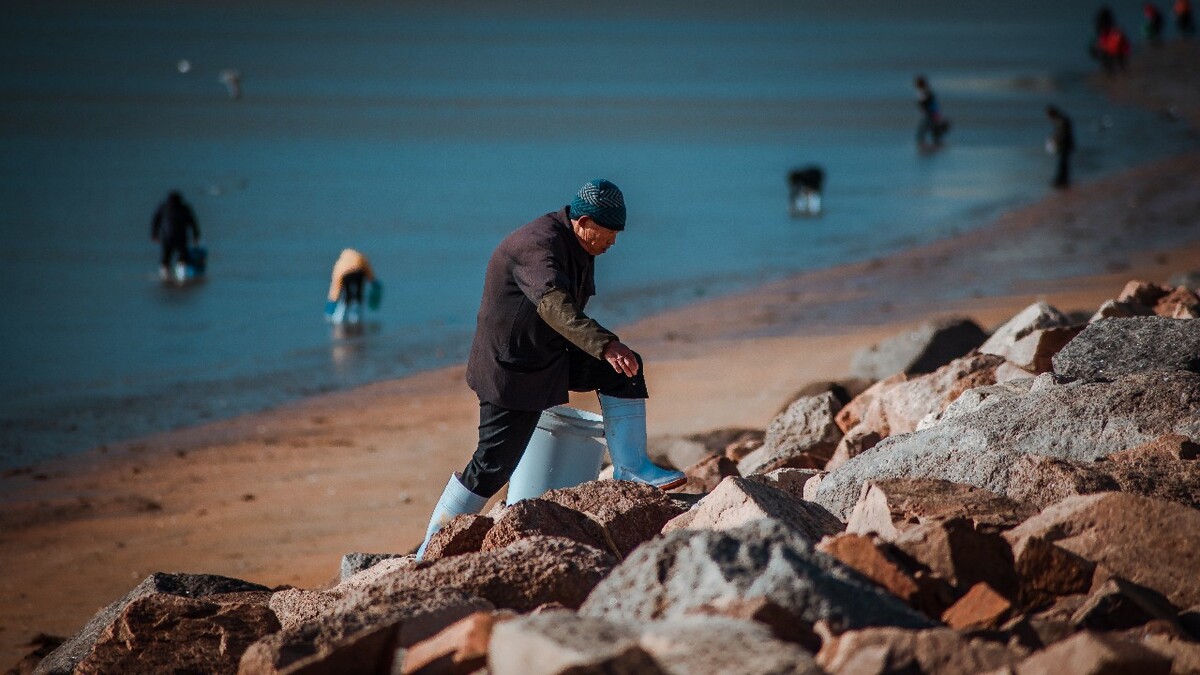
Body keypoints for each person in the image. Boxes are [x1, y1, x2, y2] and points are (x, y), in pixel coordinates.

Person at [414, 179, 685, 558]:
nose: (613, 244)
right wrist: (605, 344)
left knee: (624, 368)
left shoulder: (579, 241)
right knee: (492, 467)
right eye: (608, 235)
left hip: (550, 355)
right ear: (584, 220)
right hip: (511, 370)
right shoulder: (536, 245)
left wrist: (608, 350)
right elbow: (554, 305)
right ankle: (431, 546)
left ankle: (632, 468)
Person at [151, 190, 200, 280]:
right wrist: (196, 236)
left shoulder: (163, 207)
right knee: (183, 256)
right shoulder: (185, 208)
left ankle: (165, 276)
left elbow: (156, 221)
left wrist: (154, 234)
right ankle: (181, 276)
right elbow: (193, 222)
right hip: (181, 237)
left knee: (166, 256)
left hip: (166, 237)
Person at [326, 248, 376, 324]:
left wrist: (332, 301)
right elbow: (367, 268)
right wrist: (373, 280)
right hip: (359, 272)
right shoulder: (359, 256)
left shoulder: (340, 263)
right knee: (358, 295)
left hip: (346, 275)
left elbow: (336, 285)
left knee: (347, 296)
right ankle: (356, 318)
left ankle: (340, 318)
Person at [1092, 6, 1132, 75]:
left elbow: (1123, 45)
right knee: (1109, 57)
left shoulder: (1113, 33)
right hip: (1111, 48)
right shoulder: (1108, 32)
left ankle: (1114, 71)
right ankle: (1113, 71)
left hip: (1113, 49)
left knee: (1111, 57)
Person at [914, 75, 949, 147]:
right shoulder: (924, 91)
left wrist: (934, 112)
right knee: (929, 127)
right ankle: (931, 142)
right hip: (929, 112)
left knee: (927, 127)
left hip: (930, 113)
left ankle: (927, 142)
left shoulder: (926, 92)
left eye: (917, 83)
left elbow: (927, 102)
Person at [1046, 106, 1075, 189]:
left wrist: (1055, 140)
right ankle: (1062, 180)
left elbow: (1062, 134)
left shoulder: (1061, 121)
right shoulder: (1062, 120)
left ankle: (1061, 181)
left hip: (1065, 145)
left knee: (1063, 163)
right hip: (1066, 144)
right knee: (1063, 163)